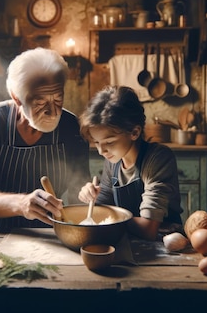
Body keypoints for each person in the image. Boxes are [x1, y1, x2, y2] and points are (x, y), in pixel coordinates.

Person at [0, 47, 90, 231]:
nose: (52, 112)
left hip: (47, 236)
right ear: (16, 97)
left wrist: (89, 196)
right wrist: (20, 204)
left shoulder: (71, 128)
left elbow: (80, 194)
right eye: (40, 103)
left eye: (58, 99)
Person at [77, 85, 182, 240]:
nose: (101, 151)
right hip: (131, 241)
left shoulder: (158, 158)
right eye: (97, 143)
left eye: (109, 142)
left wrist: (108, 219)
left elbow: (148, 228)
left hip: (165, 245)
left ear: (134, 132)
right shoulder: (113, 161)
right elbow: (100, 212)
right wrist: (90, 197)